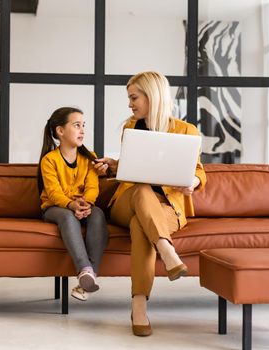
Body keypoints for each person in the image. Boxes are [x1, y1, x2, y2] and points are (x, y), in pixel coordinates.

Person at [94, 71, 206, 336]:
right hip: (128, 200)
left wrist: (192, 180)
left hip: (167, 208)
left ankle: (138, 305)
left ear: (151, 96)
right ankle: (167, 251)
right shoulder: (130, 127)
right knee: (142, 187)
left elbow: (199, 170)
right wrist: (114, 165)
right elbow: (135, 167)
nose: (130, 104)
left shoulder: (186, 131)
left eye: (134, 97)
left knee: (140, 225)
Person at [38, 107, 109, 301]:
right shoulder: (49, 160)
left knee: (98, 214)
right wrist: (71, 205)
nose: (82, 130)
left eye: (83, 125)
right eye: (77, 125)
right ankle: (85, 269)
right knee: (68, 217)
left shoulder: (89, 157)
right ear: (60, 131)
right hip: (55, 208)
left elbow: (93, 187)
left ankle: (87, 278)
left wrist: (86, 204)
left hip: (82, 205)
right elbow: (53, 193)